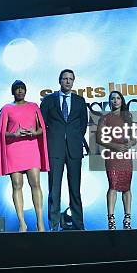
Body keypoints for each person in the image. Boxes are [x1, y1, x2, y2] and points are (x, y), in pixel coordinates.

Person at [0, 80, 49, 232]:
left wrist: (33, 132)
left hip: (31, 148)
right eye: (17, 89)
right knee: (17, 185)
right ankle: (22, 223)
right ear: (13, 91)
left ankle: (40, 222)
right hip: (14, 148)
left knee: (36, 183)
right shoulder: (7, 108)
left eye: (22, 89)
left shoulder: (33, 107)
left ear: (26, 91)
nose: (20, 91)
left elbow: (41, 129)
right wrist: (14, 134)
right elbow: (1, 133)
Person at [40, 69, 88, 231]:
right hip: (55, 150)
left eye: (70, 79)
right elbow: (42, 124)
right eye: (65, 78)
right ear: (59, 81)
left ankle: (78, 225)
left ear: (73, 81)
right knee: (54, 189)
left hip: (74, 150)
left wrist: (73, 138)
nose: (68, 81)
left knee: (75, 189)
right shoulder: (48, 100)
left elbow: (82, 126)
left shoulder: (80, 101)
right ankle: (53, 225)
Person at [95, 91, 135, 230]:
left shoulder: (127, 117)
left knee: (127, 187)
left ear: (122, 100)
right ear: (109, 101)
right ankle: (111, 219)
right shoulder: (105, 118)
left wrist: (130, 143)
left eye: (118, 98)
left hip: (125, 156)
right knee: (113, 185)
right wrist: (115, 146)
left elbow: (134, 137)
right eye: (112, 98)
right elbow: (99, 138)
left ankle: (127, 218)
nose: (115, 101)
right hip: (112, 155)